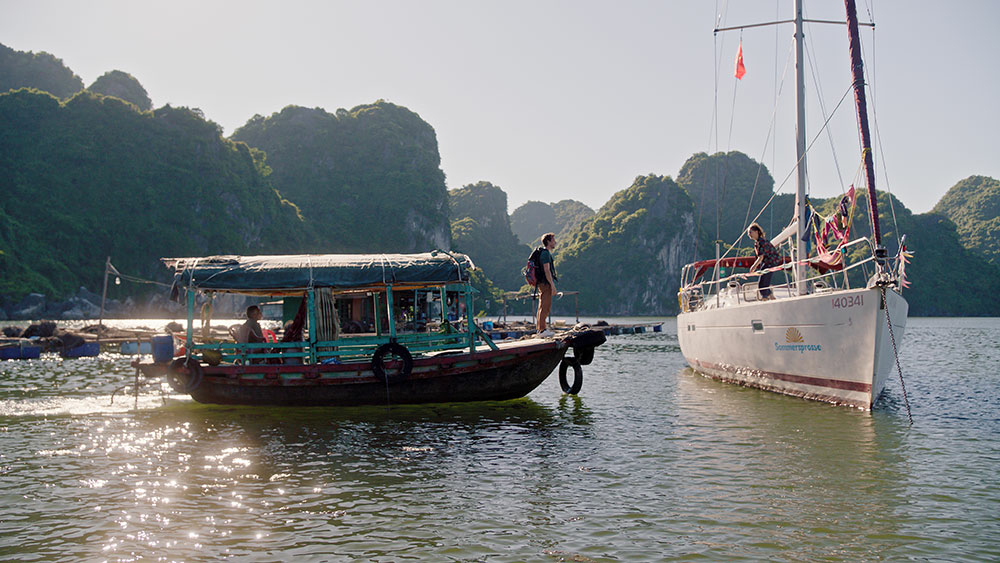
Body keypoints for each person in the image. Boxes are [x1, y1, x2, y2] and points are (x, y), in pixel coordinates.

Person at [747, 223, 782, 300]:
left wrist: (754, 266)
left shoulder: (761, 242)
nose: (749, 234)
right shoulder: (758, 242)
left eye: (750, 232)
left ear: (756, 232)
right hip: (768, 262)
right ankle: (771, 297)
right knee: (763, 283)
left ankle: (765, 298)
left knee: (763, 283)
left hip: (770, 262)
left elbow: (761, 257)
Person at [535, 232, 558, 337]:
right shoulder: (545, 253)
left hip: (542, 283)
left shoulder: (543, 253)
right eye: (553, 240)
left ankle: (540, 329)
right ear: (548, 241)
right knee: (545, 306)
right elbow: (547, 270)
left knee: (542, 306)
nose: (555, 242)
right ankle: (542, 330)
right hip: (545, 283)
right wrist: (552, 285)